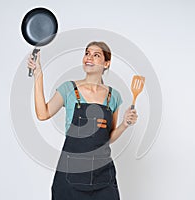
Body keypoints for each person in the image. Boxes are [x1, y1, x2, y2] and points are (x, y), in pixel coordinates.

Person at [27, 41, 138, 200]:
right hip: (70, 175)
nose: (89, 58)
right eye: (87, 53)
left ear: (106, 63)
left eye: (96, 55)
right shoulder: (68, 89)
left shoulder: (113, 96)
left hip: (103, 175)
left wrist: (125, 124)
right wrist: (38, 75)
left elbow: (108, 138)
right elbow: (42, 114)